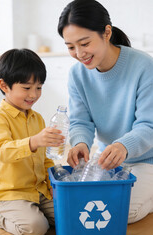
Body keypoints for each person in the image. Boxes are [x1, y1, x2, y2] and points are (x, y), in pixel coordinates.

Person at [58, 0, 153, 223]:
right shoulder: (77, 75)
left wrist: (123, 145)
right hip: (108, 160)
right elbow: (81, 120)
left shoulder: (144, 66)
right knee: (85, 204)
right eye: (71, 47)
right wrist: (80, 142)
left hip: (147, 160)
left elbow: (149, 125)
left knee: (122, 213)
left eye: (84, 43)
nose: (79, 53)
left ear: (106, 32)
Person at [0, 49, 64, 235]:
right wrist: (34, 142)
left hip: (38, 189)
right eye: (27, 88)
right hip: (11, 193)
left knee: (68, 215)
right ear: (4, 85)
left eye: (39, 87)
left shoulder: (38, 119)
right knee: (36, 229)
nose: (34, 94)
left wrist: (53, 182)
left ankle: (36, 212)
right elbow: (2, 151)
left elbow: (44, 158)